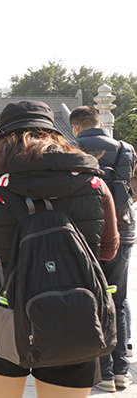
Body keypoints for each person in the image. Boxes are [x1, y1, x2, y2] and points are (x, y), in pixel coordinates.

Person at [0, 100, 119, 398]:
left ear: (3, 139)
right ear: (56, 133)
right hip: (76, 310)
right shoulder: (93, 182)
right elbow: (109, 251)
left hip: (4, 310)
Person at [70, 105, 137, 392]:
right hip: (122, 232)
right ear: (100, 123)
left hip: (85, 234)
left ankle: (103, 373)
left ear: (76, 126)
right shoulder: (126, 149)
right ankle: (121, 371)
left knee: (90, 299)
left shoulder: (70, 148)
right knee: (117, 300)